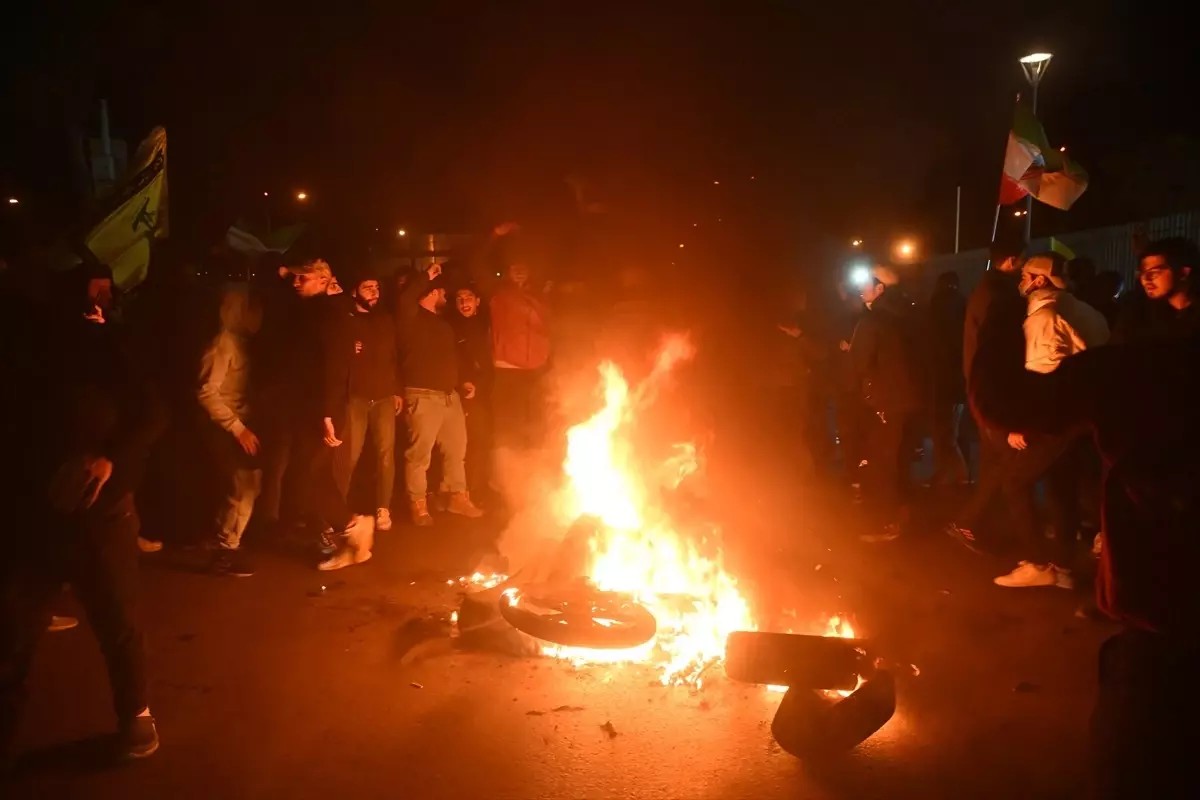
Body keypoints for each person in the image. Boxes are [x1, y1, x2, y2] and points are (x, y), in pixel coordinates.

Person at [969, 290, 1200, 800]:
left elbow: (1005, 401)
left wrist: (999, 307)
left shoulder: (1139, 365)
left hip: (1164, 625)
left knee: (1138, 764)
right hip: (1162, 621)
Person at [1, 263, 166, 766]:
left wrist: (106, 458)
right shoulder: (21, 351)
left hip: (102, 512)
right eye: (96, 292)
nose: (103, 301)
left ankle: (136, 713)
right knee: (12, 627)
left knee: (117, 616)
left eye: (107, 293)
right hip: (32, 514)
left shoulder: (105, 346)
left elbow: (151, 413)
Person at [990, 253, 1109, 589]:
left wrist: (1022, 423)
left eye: (1025, 275)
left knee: (1015, 482)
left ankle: (1037, 562)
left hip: (1056, 420)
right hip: (1086, 417)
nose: (1020, 281)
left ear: (1039, 281)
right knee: (1062, 488)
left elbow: (1044, 377)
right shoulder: (1087, 311)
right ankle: (1064, 567)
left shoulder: (1045, 316)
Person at [279, 258, 374, 571]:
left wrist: (328, 414)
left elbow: (335, 366)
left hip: (322, 411)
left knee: (303, 477)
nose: (295, 283)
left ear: (322, 280)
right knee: (317, 475)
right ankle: (354, 544)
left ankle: (353, 524)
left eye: (302, 279)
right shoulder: (314, 311)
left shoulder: (329, 314)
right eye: (294, 278)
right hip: (310, 407)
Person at [944, 241, 1025, 551]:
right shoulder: (998, 297)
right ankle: (969, 521)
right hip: (991, 390)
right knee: (1007, 463)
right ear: (1011, 260)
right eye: (1024, 264)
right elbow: (993, 349)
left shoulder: (987, 291)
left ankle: (980, 521)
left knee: (994, 463)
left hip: (984, 387)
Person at [397, 263, 484, 525]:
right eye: (442, 292)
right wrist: (425, 277)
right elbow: (404, 298)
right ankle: (418, 504)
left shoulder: (443, 324)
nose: (446, 296)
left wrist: (463, 382)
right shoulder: (408, 318)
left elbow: (452, 357)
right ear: (431, 293)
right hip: (422, 396)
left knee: (457, 450)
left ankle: (458, 498)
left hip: (449, 396)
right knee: (419, 455)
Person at [849, 265, 923, 541]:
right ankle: (901, 517)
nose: (859, 287)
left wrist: (869, 396)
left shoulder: (873, 321)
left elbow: (858, 363)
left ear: (880, 288)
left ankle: (885, 523)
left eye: (864, 282)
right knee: (898, 459)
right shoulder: (908, 316)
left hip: (884, 403)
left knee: (882, 463)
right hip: (906, 401)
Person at [326, 275, 402, 532]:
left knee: (385, 456)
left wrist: (396, 390)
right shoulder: (346, 320)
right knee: (347, 457)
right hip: (355, 397)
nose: (374, 292)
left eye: (377, 287)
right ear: (354, 292)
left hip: (382, 397)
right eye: (367, 288)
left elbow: (393, 357)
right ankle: (337, 512)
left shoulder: (384, 320)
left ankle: (383, 508)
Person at [197, 287, 264, 577]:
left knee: (249, 485)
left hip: (241, 425)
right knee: (241, 488)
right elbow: (206, 392)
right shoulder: (222, 346)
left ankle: (227, 543)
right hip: (226, 428)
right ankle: (225, 551)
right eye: (249, 309)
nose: (256, 316)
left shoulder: (242, 342)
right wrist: (237, 428)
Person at [489, 261, 551, 460]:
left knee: (536, 427)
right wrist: (497, 234)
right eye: (515, 269)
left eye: (524, 268)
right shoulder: (498, 295)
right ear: (507, 272)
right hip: (509, 372)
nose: (520, 273)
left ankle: (534, 478)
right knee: (509, 428)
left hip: (536, 371)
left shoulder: (540, 297)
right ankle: (506, 481)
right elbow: (477, 263)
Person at [451, 284, 494, 499]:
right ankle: (470, 489)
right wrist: (463, 383)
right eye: (459, 298)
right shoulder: (452, 328)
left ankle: (482, 485)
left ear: (477, 300)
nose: (464, 303)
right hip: (466, 393)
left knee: (486, 439)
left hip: (490, 390)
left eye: (468, 298)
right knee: (470, 441)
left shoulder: (490, 324)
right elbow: (453, 362)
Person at [1112, 237, 1198, 343]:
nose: (1145, 279)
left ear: (1183, 273)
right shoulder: (1139, 318)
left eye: (1154, 273)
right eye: (1142, 273)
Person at [927, 271, 969, 486]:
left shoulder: (937, 306)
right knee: (950, 431)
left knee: (942, 432)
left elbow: (933, 344)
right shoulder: (964, 305)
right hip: (959, 380)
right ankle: (955, 475)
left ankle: (957, 476)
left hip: (941, 381)